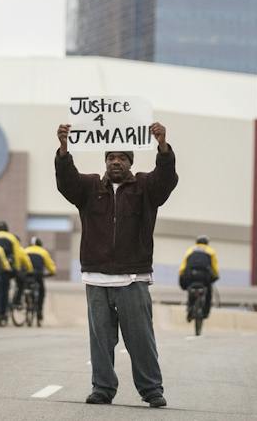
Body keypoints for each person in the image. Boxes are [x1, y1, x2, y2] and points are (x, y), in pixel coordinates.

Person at [56, 121, 177, 408]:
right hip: (97, 278)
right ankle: (102, 388)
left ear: (131, 163)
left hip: (133, 277)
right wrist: (64, 149)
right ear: (105, 161)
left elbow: (167, 178)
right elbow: (66, 181)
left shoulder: (145, 187)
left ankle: (151, 390)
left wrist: (162, 146)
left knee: (140, 339)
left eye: (122, 158)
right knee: (100, 340)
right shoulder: (89, 188)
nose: (116, 162)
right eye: (111, 157)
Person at [178, 235, 220, 318]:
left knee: (190, 288)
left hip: (191, 275)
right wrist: (216, 275)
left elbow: (183, 266)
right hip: (204, 277)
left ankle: (190, 307)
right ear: (207, 243)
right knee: (208, 292)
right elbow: (215, 267)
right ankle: (205, 313)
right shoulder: (211, 251)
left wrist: (181, 275)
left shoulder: (190, 250)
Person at [0, 220, 31, 307]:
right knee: (5, 288)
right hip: (6, 268)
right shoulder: (12, 237)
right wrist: (17, 268)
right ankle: (6, 308)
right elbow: (17, 255)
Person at [22, 236, 58, 322]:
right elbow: (50, 265)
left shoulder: (25, 250)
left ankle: (27, 303)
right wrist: (52, 272)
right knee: (41, 292)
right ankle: (39, 312)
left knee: (25, 288)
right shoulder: (43, 252)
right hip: (38, 275)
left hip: (27, 274)